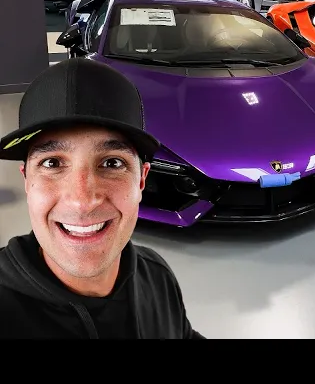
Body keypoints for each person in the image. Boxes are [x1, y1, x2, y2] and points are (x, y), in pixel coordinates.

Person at [0, 58, 205, 339]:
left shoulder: (156, 275)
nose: (82, 201)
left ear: (141, 180)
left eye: (112, 163)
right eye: (52, 163)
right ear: (27, 181)